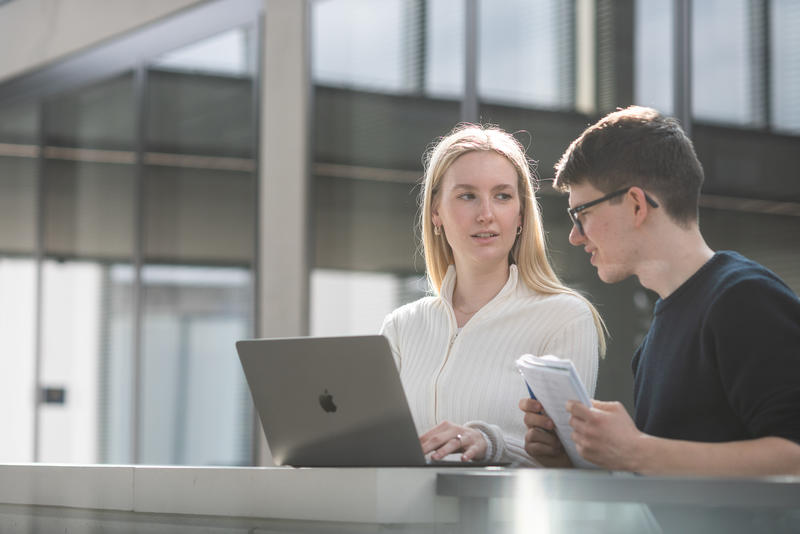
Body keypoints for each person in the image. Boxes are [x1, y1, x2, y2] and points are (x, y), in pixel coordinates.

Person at [520, 106, 800, 475]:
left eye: (581, 214)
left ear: (636, 205)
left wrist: (637, 451)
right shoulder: (657, 337)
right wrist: (581, 458)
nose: (575, 236)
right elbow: (672, 477)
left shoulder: (744, 299)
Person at [380, 124, 606, 465]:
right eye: (467, 195)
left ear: (520, 215)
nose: (486, 214)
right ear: (436, 212)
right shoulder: (401, 327)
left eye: (502, 196)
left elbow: (571, 463)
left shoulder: (564, 317)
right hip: (403, 516)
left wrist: (492, 444)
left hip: (509, 518)